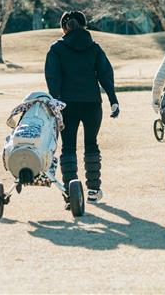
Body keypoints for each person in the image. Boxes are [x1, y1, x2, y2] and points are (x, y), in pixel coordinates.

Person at [45, 11, 120, 204]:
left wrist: (55, 100)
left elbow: (53, 77)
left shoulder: (56, 49)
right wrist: (113, 100)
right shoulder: (94, 47)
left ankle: (71, 192)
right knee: (91, 144)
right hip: (92, 103)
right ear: (84, 25)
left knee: (68, 146)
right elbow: (105, 74)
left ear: (64, 27)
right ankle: (94, 190)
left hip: (66, 104)